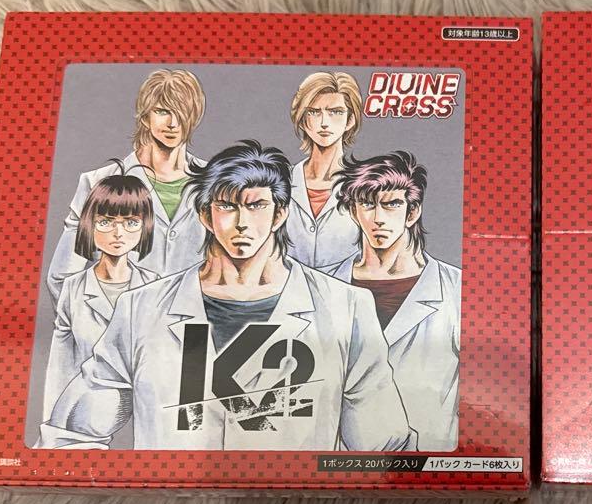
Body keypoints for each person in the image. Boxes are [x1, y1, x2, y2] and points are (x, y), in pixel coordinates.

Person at [39, 140, 414, 452]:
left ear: (280, 214)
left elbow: (386, 447)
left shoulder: (344, 307)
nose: (242, 223)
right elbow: (70, 433)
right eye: (227, 206)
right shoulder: (142, 308)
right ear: (205, 215)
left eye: (256, 205)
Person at [326, 151, 462, 450]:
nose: (378, 218)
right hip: (341, 463)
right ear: (353, 211)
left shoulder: (456, 290)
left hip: (430, 461)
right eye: (367, 204)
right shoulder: (322, 287)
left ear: (412, 212)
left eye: (391, 204)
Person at [46, 69, 208, 300]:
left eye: (182, 112)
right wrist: (106, 318)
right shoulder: (98, 181)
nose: (173, 123)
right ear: (145, 116)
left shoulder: (216, 181)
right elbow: (62, 277)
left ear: (195, 117)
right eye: (162, 111)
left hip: (193, 318)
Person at [42, 172, 158, 422]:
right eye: (106, 222)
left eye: (131, 222)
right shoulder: (73, 289)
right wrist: (53, 428)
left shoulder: (156, 286)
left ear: (145, 226)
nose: (118, 233)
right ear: (89, 225)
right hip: (85, 413)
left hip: (145, 415)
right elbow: (60, 368)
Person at [285, 71, 365, 267]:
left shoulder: (365, 184)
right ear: (302, 120)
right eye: (314, 112)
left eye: (335, 112)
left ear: (350, 120)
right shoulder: (281, 181)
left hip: (344, 285)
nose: (324, 123)